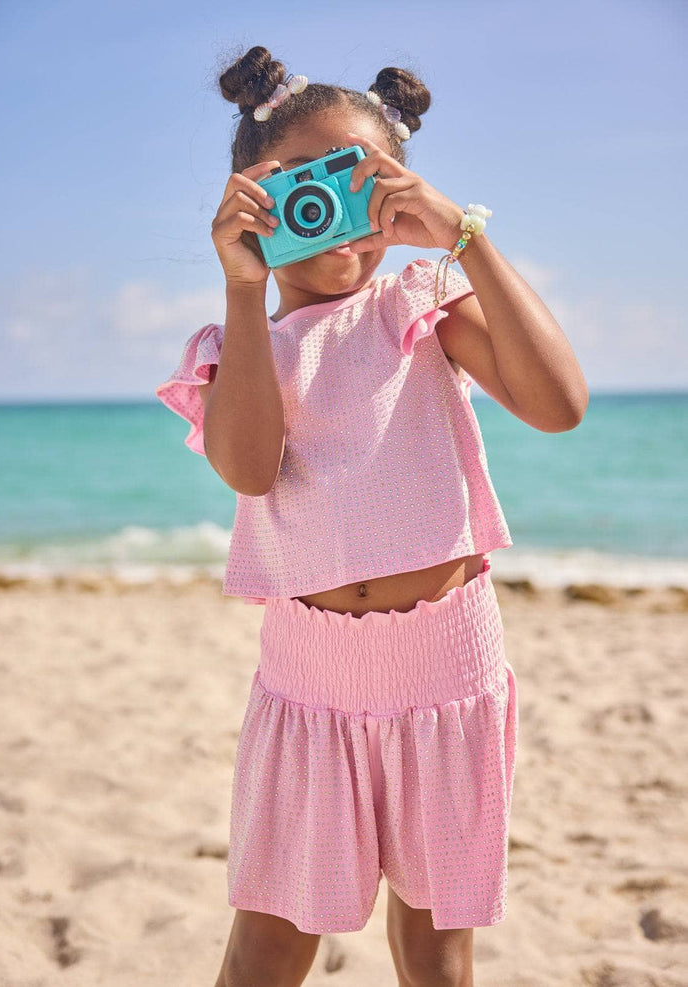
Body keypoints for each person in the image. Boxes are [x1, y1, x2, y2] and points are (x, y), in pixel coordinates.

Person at [155, 44, 588, 987]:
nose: (334, 214)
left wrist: (460, 235)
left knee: (437, 951)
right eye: (304, 186)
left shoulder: (423, 301)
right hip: (311, 682)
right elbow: (249, 469)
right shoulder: (243, 345)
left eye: (361, 183)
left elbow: (558, 404)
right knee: (270, 942)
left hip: (447, 667)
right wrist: (242, 281)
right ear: (252, 195)